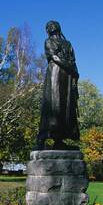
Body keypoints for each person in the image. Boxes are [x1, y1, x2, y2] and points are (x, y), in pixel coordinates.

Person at [37, 20, 80, 149]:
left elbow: (73, 60)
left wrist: (75, 73)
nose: (51, 26)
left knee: (66, 107)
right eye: (48, 26)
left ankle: (59, 139)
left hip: (67, 77)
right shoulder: (48, 42)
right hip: (54, 74)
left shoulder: (67, 43)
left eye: (53, 24)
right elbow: (53, 57)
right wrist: (70, 67)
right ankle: (43, 136)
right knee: (53, 104)